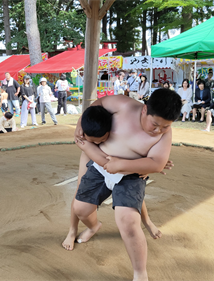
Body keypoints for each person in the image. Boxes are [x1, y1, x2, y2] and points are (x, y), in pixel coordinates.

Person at [70, 90, 181, 281]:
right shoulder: (124, 105)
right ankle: (94, 226)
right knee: (80, 209)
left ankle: (140, 273)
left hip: (132, 175)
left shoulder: (164, 134)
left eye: (165, 127)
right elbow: (97, 105)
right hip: (99, 167)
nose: (158, 131)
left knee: (128, 221)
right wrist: (80, 124)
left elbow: (156, 163)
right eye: (155, 124)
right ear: (145, 110)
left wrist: (121, 165)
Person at [62, 105, 174, 251]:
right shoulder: (86, 135)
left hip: (121, 163)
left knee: (131, 192)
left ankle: (147, 221)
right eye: (93, 141)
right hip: (94, 158)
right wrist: (79, 126)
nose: (96, 143)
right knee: (80, 191)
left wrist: (152, 164)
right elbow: (93, 107)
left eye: (100, 140)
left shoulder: (119, 121)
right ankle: (74, 230)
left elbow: (140, 148)